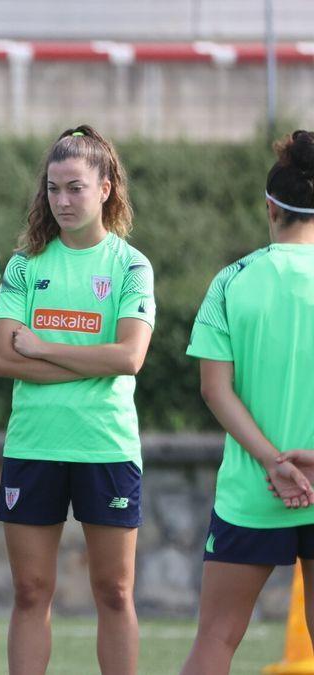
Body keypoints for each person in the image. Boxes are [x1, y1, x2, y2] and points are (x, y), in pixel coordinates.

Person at [0, 125, 153, 675]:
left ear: (105, 188)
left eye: (75, 188)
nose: (61, 200)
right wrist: (85, 361)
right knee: (31, 592)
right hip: (34, 445)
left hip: (105, 446)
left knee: (114, 593)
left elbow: (129, 357)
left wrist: (43, 348)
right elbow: (4, 360)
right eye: (53, 189)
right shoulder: (24, 266)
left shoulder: (130, 266)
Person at [179, 131, 314, 675]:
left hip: (253, 489)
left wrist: (272, 462)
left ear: (270, 207)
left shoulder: (231, 281)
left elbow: (215, 389)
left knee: (216, 638)